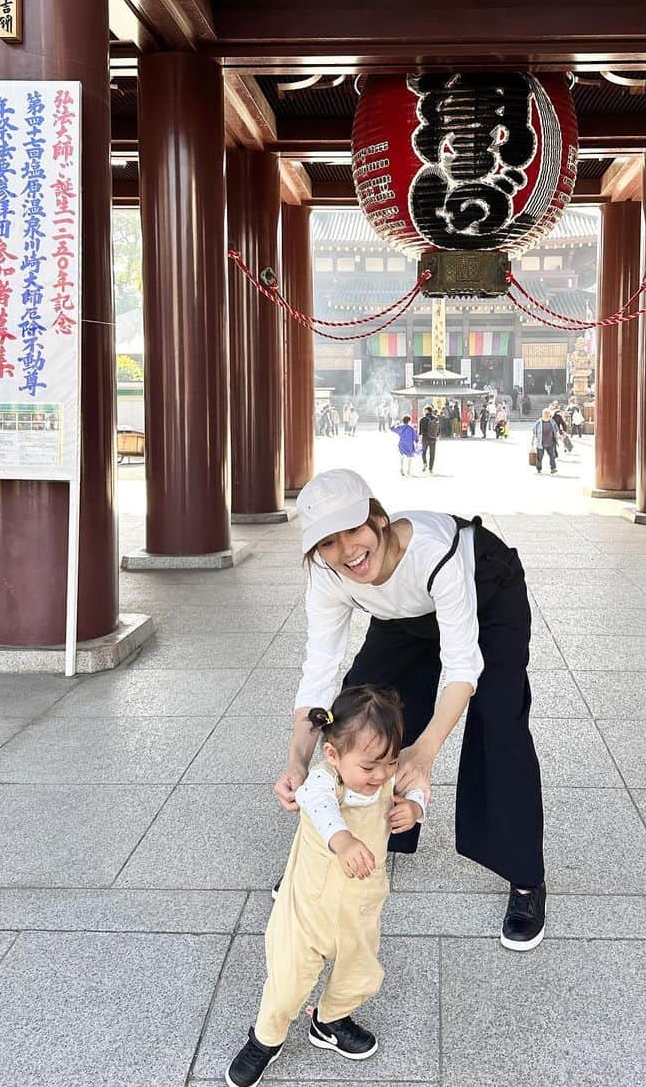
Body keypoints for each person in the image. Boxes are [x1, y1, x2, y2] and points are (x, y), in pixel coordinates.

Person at [275, 468, 547, 953]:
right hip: (406, 617)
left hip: (487, 597)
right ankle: (357, 837)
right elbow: (320, 671)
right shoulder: (327, 573)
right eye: (328, 543)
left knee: (499, 721)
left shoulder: (433, 548)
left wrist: (424, 750)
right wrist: (298, 757)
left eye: (353, 531)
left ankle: (525, 878)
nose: (348, 552)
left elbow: (462, 665)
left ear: (377, 518)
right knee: (358, 713)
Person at [227, 686, 425, 1086]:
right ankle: (266, 1039)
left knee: (360, 973)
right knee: (288, 979)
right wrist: (344, 840)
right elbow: (319, 808)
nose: (381, 775)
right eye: (369, 767)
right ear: (333, 755)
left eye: (389, 762)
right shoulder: (321, 781)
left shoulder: (388, 776)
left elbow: (415, 784)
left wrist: (415, 806)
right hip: (307, 907)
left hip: (360, 905)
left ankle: (330, 1020)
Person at [530, 408, 558, 475]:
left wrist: (558, 437)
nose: (547, 415)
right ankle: (539, 469)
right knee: (539, 457)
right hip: (540, 443)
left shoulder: (552, 421)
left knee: (552, 456)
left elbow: (556, 430)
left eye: (548, 414)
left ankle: (553, 468)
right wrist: (532, 441)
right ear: (543, 414)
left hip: (550, 443)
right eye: (545, 414)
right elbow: (534, 432)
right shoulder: (538, 422)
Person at [419, 405, 440, 473]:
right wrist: (437, 436)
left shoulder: (422, 419)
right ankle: (431, 468)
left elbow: (420, 431)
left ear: (426, 411)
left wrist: (420, 439)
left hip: (425, 438)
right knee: (432, 454)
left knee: (423, 452)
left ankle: (425, 463)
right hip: (433, 438)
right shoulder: (436, 418)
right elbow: (438, 429)